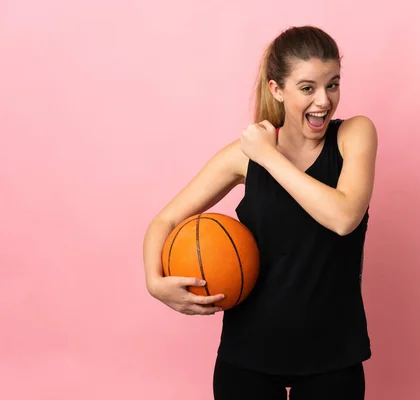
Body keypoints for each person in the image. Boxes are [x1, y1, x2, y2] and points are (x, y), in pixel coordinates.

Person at [142, 25, 378, 399]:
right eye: (307, 88)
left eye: (332, 84)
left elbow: (343, 216)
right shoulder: (243, 155)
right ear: (277, 90)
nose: (323, 100)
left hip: (333, 353)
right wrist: (155, 283)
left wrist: (268, 156)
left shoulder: (355, 134)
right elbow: (165, 220)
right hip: (248, 355)